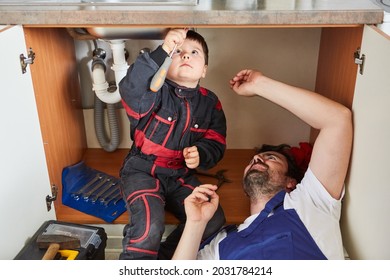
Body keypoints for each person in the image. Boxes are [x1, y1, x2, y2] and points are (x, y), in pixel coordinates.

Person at [172, 69, 353, 260]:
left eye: (271, 158)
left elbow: (337, 119)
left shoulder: (310, 202)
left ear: (291, 182)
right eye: (252, 161)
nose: (257, 159)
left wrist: (260, 84)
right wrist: (195, 223)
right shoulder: (220, 244)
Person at [118, 28, 227, 260]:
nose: (186, 56)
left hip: (181, 175)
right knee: (149, 226)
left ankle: (167, 260)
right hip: (143, 170)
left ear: (205, 69)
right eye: (178, 52)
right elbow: (130, 88)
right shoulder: (153, 92)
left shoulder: (210, 103)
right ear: (166, 64)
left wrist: (202, 153)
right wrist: (164, 49)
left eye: (194, 52)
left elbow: (216, 141)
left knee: (213, 218)